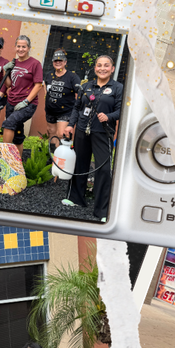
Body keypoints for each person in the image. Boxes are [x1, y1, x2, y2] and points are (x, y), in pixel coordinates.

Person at [62, 55, 123, 223]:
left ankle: (102, 210)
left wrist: (109, 116)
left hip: (103, 132)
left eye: (106, 65)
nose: (102, 68)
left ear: (112, 69)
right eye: (99, 65)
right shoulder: (86, 86)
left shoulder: (117, 88)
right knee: (80, 164)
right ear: (95, 68)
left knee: (103, 170)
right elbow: (77, 108)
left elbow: (122, 111)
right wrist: (70, 125)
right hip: (82, 130)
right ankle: (76, 198)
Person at [0, 36, 44, 146]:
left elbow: (38, 86)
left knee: (9, 123)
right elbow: (9, 84)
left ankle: (5, 156)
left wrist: (26, 101)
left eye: (24, 47)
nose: (20, 49)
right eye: (18, 46)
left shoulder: (35, 64)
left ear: (28, 48)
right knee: (18, 135)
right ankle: (18, 162)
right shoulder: (13, 63)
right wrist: (5, 71)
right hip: (11, 102)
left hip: (27, 104)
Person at [44, 50, 81, 148]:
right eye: (55, 60)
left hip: (66, 111)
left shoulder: (72, 77)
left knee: (61, 134)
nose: (58, 62)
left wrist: (77, 111)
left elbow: (79, 94)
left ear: (65, 62)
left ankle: (61, 159)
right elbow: (45, 87)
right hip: (51, 110)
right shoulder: (49, 75)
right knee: (51, 133)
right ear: (53, 62)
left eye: (61, 60)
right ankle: (52, 156)